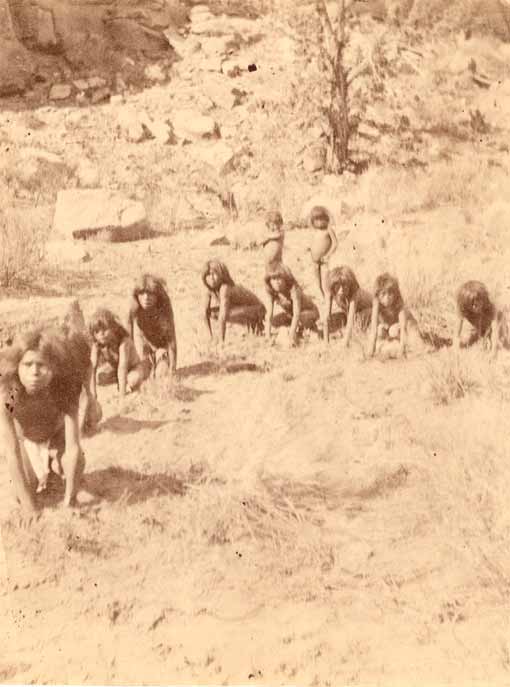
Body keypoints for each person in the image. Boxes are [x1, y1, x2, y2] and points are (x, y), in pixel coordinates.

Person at [0, 327, 87, 511]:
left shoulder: (64, 388)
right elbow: (11, 451)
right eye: (28, 364)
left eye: (42, 365)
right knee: (21, 495)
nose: (35, 372)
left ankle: (54, 465)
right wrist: (28, 507)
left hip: (56, 436)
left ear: (54, 367)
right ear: (17, 366)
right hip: (27, 440)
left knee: (77, 464)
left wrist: (70, 502)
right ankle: (43, 467)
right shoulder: (11, 394)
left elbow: (73, 447)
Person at [89, 308, 150, 398]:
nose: (101, 334)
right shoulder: (97, 345)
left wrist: (122, 396)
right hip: (116, 368)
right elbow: (92, 368)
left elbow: (122, 367)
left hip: (133, 367)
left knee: (133, 380)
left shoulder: (123, 342)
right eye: (97, 332)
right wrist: (93, 395)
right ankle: (122, 382)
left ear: (113, 327)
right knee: (99, 378)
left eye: (105, 329)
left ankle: (145, 372)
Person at [202, 260, 265, 342]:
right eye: (208, 275)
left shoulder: (225, 288)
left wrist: (221, 342)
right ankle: (252, 327)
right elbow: (204, 313)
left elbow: (222, 316)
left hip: (257, 310)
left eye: (214, 274)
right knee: (212, 313)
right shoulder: (210, 290)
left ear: (221, 274)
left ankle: (255, 324)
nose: (211, 278)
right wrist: (210, 337)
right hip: (242, 308)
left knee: (223, 313)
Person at [128, 274, 177, 378]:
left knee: (161, 375)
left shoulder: (164, 307)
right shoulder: (134, 307)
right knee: (134, 380)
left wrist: (172, 368)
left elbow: (171, 339)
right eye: (142, 293)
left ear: (157, 295)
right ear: (137, 295)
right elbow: (128, 335)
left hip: (160, 347)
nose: (146, 298)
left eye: (150, 294)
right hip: (142, 347)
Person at [264, 264, 320, 346]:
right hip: (291, 314)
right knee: (274, 321)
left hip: (309, 312)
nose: (277, 282)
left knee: (301, 318)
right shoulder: (271, 291)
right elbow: (269, 314)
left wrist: (290, 336)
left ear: (285, 279)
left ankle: (306, 329)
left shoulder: (294, 290)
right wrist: (267, 337)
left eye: (279, 278)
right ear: (269, 281)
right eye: (273, 279)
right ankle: (294, 329)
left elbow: (297, 314)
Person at [368, 272, 419, 358]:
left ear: (395, 294)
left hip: (405, 327)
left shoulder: (399, 302)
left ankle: (405, 347)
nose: (387, 298)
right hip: (389, 327)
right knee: (380, 331)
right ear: (378, 295)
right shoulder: (376, 302)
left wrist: (402, 352)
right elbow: (373, 329)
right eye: (383, 294)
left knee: (394, 331)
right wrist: (370, 353)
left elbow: (403, 328)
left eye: (390, 294)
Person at [323, 266, 372, 345]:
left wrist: (345, 343)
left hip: (369, 310)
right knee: (331, 320)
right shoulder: (330, 291)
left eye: (344, 286)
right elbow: (326, 317)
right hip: (349, 314)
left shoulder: (355, 293)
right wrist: (326, 343)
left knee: (356, 319)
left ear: (350, 285)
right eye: (338, 286)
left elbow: (350, 319)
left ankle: (350, 333)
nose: (341, 290)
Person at [454, 280, 497, 353]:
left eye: (476, 304)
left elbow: (496, 330)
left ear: (483, 299)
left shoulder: (490, 306)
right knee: (467, 339)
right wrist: (455, 349)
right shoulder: (463, 307)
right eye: (471, 305)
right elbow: (457, 333)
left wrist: (493, 352)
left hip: (488, 326)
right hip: (475, 325)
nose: (474, 307)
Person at [309, 206, 338, 297]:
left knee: (326, 279)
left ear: (326, 219)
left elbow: (335, 243)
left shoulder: (328, 230)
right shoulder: (315, 231)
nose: (320, 222)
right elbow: (314, 242)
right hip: (314, 260)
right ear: (313, 221)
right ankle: (321, 294)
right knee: (317, 279)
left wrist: (328, 255)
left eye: (322, 219)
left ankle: (328, 295)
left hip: (325, 259)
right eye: (316, 220)